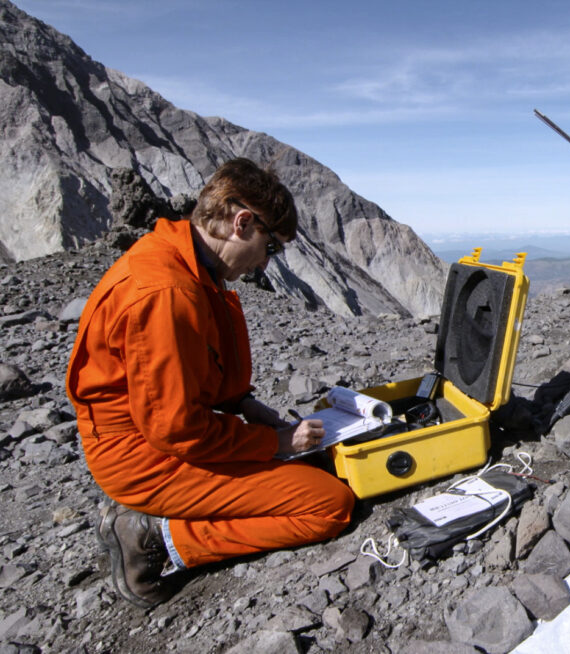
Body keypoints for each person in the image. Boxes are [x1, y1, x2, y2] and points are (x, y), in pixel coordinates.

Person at [66, 158, 355, 608]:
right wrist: (273, 442)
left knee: (307, 468)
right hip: (145, 457)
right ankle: (152, 535)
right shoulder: (167, 292)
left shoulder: (186, 265)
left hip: (150, 439)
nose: (264, 263)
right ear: (242, 223)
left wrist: (243, 403)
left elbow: (187, 369)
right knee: (326, 503)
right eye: (271, 247)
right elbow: (176, 428)